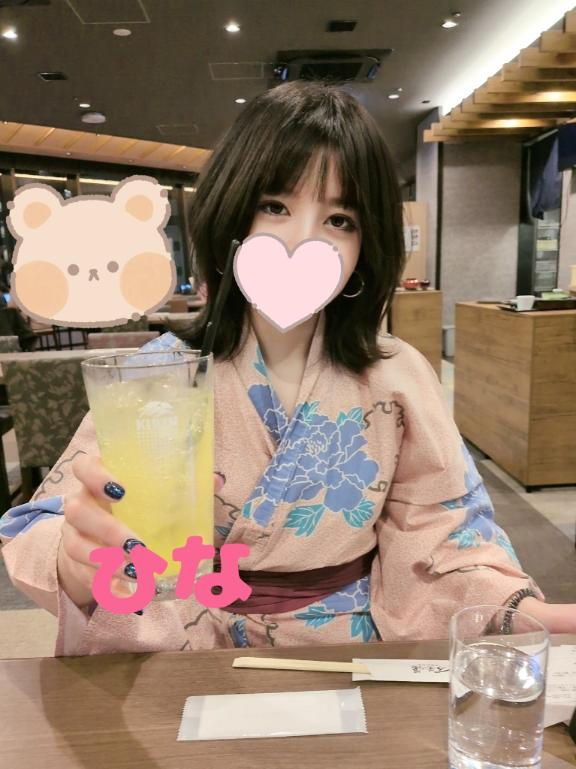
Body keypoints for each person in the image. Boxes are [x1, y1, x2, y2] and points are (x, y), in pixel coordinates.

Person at [0, 81, 574, 657]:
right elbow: (45, 521)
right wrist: (77, 560)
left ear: (366, 244)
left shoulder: (398, 374)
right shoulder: (156, 376)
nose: (302, 240)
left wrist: (516, 612)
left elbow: (442, 534)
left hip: (350, 647)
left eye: (340, 219)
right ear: (231, 210)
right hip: (187, 641)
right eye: (274, 206)